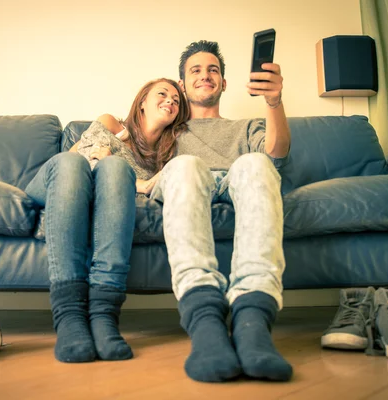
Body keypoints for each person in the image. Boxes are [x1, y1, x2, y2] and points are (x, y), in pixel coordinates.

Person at [147, 40, 293, 382]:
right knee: (185, 166)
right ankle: (204, 321)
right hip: (188, 180)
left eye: (213, 69)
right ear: (181, 85)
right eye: (195, 70)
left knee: (256, 163)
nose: (205, 75)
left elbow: (277, 154)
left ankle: (252, 320)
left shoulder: (247, 127)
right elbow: (118, 139)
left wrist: (274, 101)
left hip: (238, 180)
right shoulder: (166, 129)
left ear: (224, 83)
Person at [25, 78, 189, 363]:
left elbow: (153, 184)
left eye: (176, 100)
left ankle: (103, 315)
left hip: (106, 183)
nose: (171, 101)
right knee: (73, 164)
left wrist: (120, 167)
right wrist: (137, 180)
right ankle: (70, 315)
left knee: (114, 167)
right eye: (162, 94)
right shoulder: (112, 123)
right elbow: (77, 158)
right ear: (142, 103)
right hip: (60, 181)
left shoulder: (168, 151)